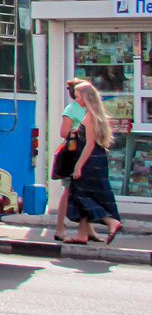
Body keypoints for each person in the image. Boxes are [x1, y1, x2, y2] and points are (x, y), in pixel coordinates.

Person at [64, 83, 123, 244]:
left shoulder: (89, 117)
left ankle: (111, 221)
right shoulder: (95, 115)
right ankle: (82, 234)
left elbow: (90, 144)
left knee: (81, 195)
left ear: (86, 97)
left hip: (89, 161)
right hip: (98, 160)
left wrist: (78, 166)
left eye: (77, 96)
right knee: (88, 194)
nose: (76, 99)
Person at [54, 78, 99, 241]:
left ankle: (89, 230)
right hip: (74, 154)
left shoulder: (86, 109)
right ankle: (60, 228)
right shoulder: (72, 109)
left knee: (86, 192)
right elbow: (64, 132)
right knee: (67, 191)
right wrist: (78, 131)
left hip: (86, 154)